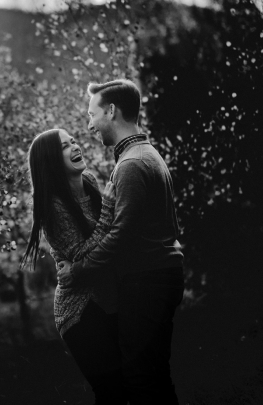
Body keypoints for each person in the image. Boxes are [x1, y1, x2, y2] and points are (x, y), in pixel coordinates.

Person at [57, 79, 185, 405]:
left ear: (111, 111)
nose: (89, 124)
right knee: (151, 375)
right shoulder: (141, 156)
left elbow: (119, 235)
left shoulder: (131, 164)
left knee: (144, 379)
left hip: (148, 281)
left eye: (92, 113)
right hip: (157, 276)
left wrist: (78, 271)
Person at [22, 128, 127, 405]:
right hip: (79, 311)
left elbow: (112, 241)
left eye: (74, 141)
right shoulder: (51, 206)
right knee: (112, 392)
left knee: (134, 384)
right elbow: (83, 255)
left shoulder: (91, 182)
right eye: (64, 147)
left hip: (110, 298)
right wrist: (108, 210)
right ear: (50, 161)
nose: (75, 147)